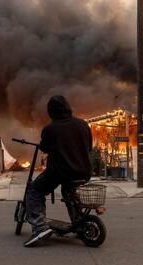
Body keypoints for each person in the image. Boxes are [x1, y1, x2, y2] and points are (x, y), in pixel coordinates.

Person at [24, 95, 93, 247]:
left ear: (50, 111)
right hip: (84, 171)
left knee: (34, 190)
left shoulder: (50, 129)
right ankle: (78, 223)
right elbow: (89, 147)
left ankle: (40, 228)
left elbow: (45, 147)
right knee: (69, 193)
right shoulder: (83, 124)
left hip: (60, 172)